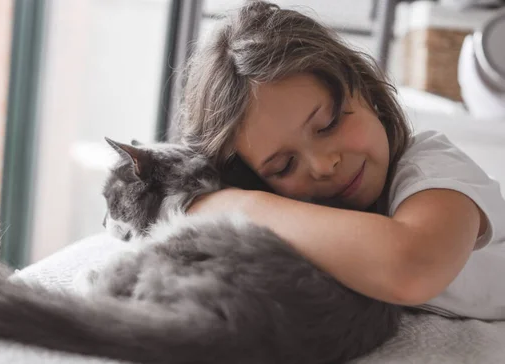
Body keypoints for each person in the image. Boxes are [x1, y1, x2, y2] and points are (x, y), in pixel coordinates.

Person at [179, 1, 505, 320]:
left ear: (365, 90)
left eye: (330, 123)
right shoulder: (308, 219)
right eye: (284, 166)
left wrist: (235, 208)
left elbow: (412, 268)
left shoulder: (432, 165)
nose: (323, 165)